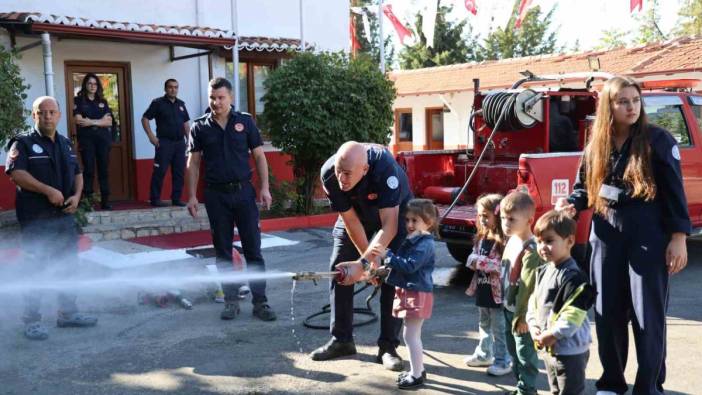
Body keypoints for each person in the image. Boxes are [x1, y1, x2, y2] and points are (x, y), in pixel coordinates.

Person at [556, 76, 690, 395]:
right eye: (623, 102)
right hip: (605, 236)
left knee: (648, 317)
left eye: (635, 100)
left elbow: (675, 193)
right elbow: (583, 190)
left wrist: (678, 237)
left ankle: (648, 386)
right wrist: (571, 205)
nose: (631, 107)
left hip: (648, 235)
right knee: (607, 313)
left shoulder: (658, 140)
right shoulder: (596, 146)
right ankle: (612, 382)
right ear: (609, 107)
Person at [310, 141, 412, 371]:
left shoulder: (386, 170)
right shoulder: (329, 175)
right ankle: (342, 340)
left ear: (364, 170)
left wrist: (369, 263)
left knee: (392, 270)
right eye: (339, 172)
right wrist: (364, 265)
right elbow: (351, 222)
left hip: (393, 211)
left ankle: (388, 347)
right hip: (357, 212)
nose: (341, 179)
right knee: (341, 267)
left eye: (347, 174)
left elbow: (390, 227)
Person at [5, 96, 98, 340]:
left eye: (51, 112)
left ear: (58, 115)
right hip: (36, 219)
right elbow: (16, 174)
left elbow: (78, 174)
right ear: (34, 115)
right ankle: (32, 321)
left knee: (69, 266)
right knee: (34, 269)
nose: (47, 116)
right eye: (42, 112)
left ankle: (68, 313)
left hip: (64, 218)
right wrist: (48, 191)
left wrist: (77, 196)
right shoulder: (22, 144)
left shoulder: (66, 144)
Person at [186, 77, 276, 322]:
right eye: (212, 98)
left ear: (231, 98)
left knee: (253, 250)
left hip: (244, 193)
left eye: (221, 97)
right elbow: (193, 163)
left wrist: (264, 188)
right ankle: (231, 301)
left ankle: (261, 302)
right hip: (216, 195)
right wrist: (192, 195)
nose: (216, 102)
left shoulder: (245, 122)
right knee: (223, 251)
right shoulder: (199, 127)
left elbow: (259, 157)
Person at [370, 198, 437, 389]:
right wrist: (384, 267)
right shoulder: (415, 240)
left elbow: (409, 266)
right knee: (411, 335)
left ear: (429, 222)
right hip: (410, 291)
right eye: (407, 220)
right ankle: (418, 369)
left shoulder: (424, 244)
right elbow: (403, 264)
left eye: (415, 220)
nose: (409, 224)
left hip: (417, 293)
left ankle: (416, 375)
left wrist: (388, 255)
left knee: (411, 336)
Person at [528, 210, 595, 395]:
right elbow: (534, 303)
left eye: (549, 241)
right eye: (539, 241)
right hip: (549, 347)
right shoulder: (542, 271)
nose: (542, 246)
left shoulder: (574, 277)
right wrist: (533, 326)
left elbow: (573, 314)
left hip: (570, 350)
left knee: (571, 391)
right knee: (556, 390)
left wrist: (554, 334)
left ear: (570, 241)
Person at [464, 194, 512, 376]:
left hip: (497, 294)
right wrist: (476, 260)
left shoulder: (504, 241)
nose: (482, 220)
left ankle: (503, 360)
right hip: (483, 290)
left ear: (497, 216)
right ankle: (484, 354)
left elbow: (501, 266)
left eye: (486, 216)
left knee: (499, 329)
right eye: (480, 215)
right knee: (483, 323)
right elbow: (470, 258)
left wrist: (479, 261)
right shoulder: (481, 238)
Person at [500, 191, 543, 395]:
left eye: (511, 219)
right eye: (503, 218)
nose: (505, 223)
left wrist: (523, 316)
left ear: (529, 220)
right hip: (509, 309)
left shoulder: (531, 249)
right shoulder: (512, 240)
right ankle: (520, 387)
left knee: (525, 354)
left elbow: (528, 287)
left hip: (523, 314)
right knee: (513, 352)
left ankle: (528, 390)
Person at [142, 78, 190, 207]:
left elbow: (185, 123)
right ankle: (155, 199)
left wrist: (188, 140)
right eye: (170, 87)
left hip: (179, 143)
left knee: (179, 172)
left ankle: (176, 198)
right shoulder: (158, 103)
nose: (173, 89)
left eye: (176, 87)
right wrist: (151, 136)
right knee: (160, 171)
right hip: (164, 143)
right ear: (165, 89)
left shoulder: (181, 104)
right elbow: (145, 118)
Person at [73, 73, 113, 210]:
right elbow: (78, 120)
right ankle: (88, 202)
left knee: (104, 170)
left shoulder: (103, 101)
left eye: (95, 83)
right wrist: (99, 121)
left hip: (103, 140)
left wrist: (90, 121)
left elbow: (109, 122)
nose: (92, 86)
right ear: (85, 85)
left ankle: (105, 201)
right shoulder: (78, 101)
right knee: (88, 170)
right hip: (87, 140)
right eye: (90, 83)